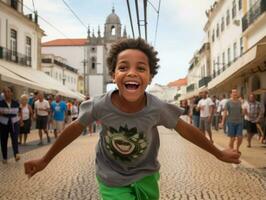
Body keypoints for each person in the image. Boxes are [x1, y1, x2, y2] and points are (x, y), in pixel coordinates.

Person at [24, 38, 240, 199]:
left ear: (150, 77)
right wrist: (45, 160)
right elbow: (74, 128)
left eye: (141, 68)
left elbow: (185, 129)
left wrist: (218, 153)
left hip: (146, 176)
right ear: (113, 74)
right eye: (123, 67)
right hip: (111, 177)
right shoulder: (100, 105)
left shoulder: (157, 108)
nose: (132, 73)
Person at [0, 87, 20, 164]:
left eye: (8, 91)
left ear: (11, 93)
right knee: (3, 140)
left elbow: (18, 112)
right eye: (5, 92)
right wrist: (6, 112)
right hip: (3, 123)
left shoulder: (16, 103)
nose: (6, 93)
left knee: (15, 138)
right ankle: (5, 157)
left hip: (14, 122)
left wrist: (20, 121)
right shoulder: (1, 103)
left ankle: (16, 154)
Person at [221, 89, 243, 154]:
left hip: (239, 122)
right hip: (231, 122)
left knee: (240, 137)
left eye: (236, 92)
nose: (235, 93)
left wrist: (243, 113)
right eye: (233, 92)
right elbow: (225, 112)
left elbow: (241, 111)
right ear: (231, 94)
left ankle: (237, 149)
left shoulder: (240, 102)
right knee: (232, 138)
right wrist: (222, 122)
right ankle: (231, 150)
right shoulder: (228, 102)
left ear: (237, 93)